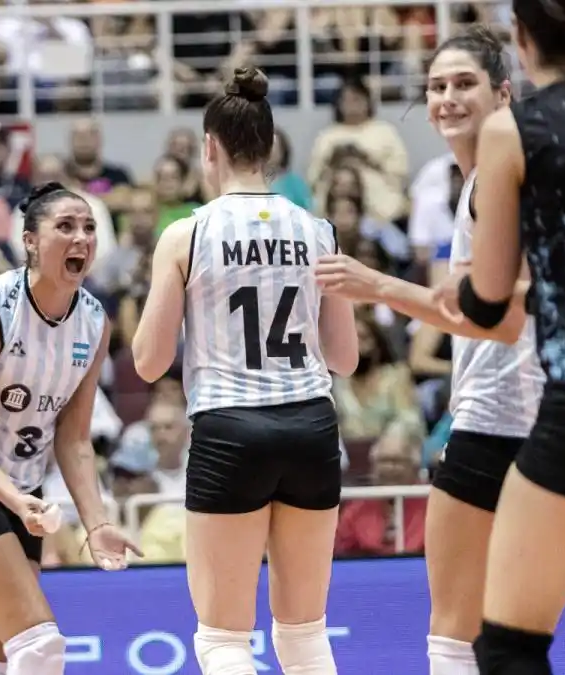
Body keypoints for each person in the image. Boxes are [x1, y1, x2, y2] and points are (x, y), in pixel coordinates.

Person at [312, 27, 545, 675]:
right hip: (519, 413)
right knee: (502, 633)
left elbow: (488, 313)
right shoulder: (474, 184)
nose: (446, 98)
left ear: (504, 92)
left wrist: (375, 285)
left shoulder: (498, 182)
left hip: (504, 418)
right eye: (437, 86)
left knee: (453, 630)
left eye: (464, 83)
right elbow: (462, 304)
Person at [434, 1, 565, 672]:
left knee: (509, 646)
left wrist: (450, 291)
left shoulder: (516, 128)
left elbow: (490, 301)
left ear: (520, 41)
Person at [132, 67, 359, 675]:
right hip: (311, 424)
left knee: (224, 640)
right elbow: (345, 359)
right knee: (305, 634)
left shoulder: (187, 233)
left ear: (210, 149)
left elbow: (150, 363)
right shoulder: (318, 229)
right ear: (270, 148)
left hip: (230, 426)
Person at [0, 181, 139, 675]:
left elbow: (74, 439)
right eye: (65, 227)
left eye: (89, 228)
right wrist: (16, 500)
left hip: (21, 490)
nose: (81, 239)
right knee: (40, 647)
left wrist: (97, 524)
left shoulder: (95, 321)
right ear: (30, 241)